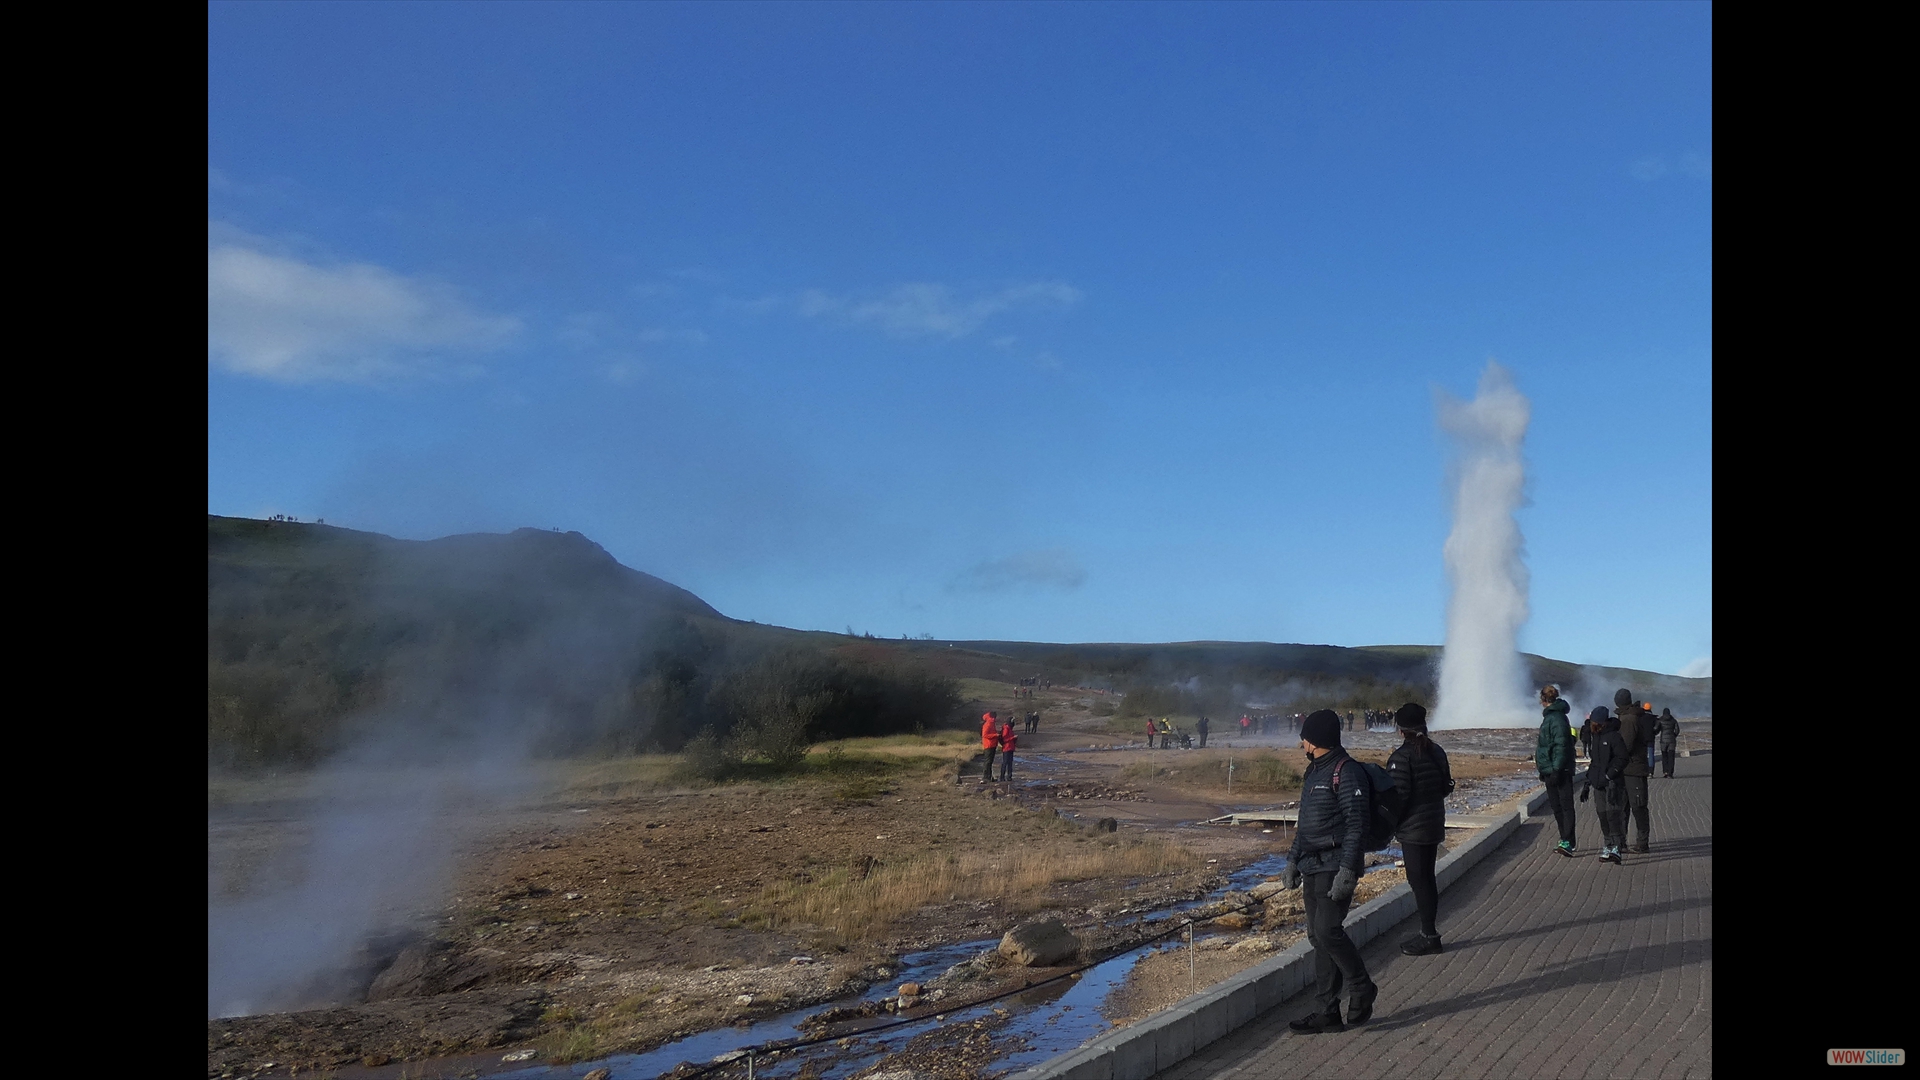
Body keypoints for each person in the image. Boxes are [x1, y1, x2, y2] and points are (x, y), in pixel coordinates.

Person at [1281, 709, 1377, 1033]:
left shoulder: (1345, 771)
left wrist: (1349, 869)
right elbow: (1305, 826)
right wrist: (1293, 859)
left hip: (1335, 866)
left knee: (1327, 930)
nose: (1301, 742)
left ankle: (1362, 986)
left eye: (1304, 737)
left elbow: (1356, 825)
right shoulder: (1313, 773)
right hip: (1310, 865)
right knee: (1317, 937)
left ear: (1315, 740)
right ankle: (1327, 1011)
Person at [1387, 703, 1452, 955]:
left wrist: (1388, 826)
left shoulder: (1401, 757)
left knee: (1419, 881)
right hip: (1434, 823)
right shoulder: (1436, 751)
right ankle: (1429, 932)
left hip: (1413, 829)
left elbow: (1397, 797)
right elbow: (1445, 787)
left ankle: (1429, 936)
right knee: (1427, 879)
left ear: (1401, 730)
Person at [1534, 685, 1578, 856]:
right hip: (1551, 768)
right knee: (1557, 806)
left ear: (1543, 700)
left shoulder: (1556, 718)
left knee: (1565, 806)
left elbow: (1560, 745)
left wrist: (1556, 770)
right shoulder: (1552, 717)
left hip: (1559, 769)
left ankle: (1568, 841)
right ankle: (1565, 840)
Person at [1582, 706, 1629, 864]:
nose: (1592, 725)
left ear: (1602, 722)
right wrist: (1587, 782)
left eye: (1594, 722)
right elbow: (1595, 761)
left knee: (1613, 814)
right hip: (1598, 783)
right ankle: (1608, 845)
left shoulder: (1614, 736)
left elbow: (1622, 758)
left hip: (1612, 783)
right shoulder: (1596, 737)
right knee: (1602, 814)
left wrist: (1609, 775)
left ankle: (1616, 846)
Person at [1614, 689, 1654, 853]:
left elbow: (1626, 745)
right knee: (1624, 806)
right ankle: (1622, 841)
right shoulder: (1626, 717)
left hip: (1634, 768)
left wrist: (1614, 755)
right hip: (1627, 769)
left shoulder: (1629, 719)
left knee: (1638, 806)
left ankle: (1642, 843)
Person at [1656, 707, 1681, 778]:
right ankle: (1670, 772)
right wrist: (1674, 736)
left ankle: (1665, 772)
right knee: (1671, 757)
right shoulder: (1673, 720)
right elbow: (1677, 730)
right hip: (1672, 741)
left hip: (1663, 741)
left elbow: (1655, 728)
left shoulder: (1660, 720)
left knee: (1664, 756)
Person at [980, 712, 1000, 783]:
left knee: (989, 762)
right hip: (989, 745)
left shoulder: (991, 723)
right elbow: (985, 735)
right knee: (988, 762)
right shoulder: (988, 724)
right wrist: (995, 735)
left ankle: (989, 776)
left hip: (992, 744)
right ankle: (985, 777)